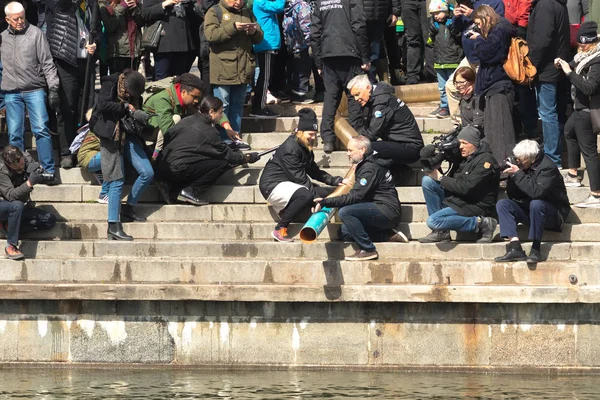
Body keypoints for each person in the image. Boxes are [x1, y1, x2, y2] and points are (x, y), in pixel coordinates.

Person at [259, 108, 345, 242]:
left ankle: (287, 209)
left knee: (321, 192)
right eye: (310, 134)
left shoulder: (304, 146)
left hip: (289, 183)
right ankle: (280, 229)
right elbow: (299, 178)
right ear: (300, 132)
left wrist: (334, 181)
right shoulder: (291, 149)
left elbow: (314, 171)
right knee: (307, 195)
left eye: (315, 134)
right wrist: (317, 199)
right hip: (272, 185)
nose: (313, 137)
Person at [158, 96, 261, 205]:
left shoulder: (187, 120)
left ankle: (171, 187)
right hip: (177, 169)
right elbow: (229, 156)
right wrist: (246, 158)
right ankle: (191, 190)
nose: (221, 116)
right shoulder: (209, 132)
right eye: (220, 113)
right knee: (222, 163)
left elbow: (168, 136)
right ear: (211, 112)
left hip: (163, 166)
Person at [313, 136, 403, 261]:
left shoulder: (370, 168)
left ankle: (368, 250)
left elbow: (355, 196)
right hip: (378, 209)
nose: (347, 153)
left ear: (362, 150)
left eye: (350, 150)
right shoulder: (369, 163)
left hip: (387, 211)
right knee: (344, 232)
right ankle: (387, 235)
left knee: (346, 212)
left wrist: (326, 202)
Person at [89, 70, 155, 241]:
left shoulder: (135, 93)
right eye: (129, 94)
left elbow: (136, 110)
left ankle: (128, 209)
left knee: (147, 172)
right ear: (125, 86)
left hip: (128, 135)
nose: (129, 96)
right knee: (116, 180)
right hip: (110, 134)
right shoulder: (109, 84)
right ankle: (113, 225)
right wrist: (125, 107)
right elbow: (102, 105)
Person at [1, 2, 59, 181]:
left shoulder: (36, 34)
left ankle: (48, 169)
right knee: (15, 134)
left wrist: (53, 87)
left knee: (41, 129)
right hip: (11, 91)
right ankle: (19, 172)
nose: (20, 21)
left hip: (34, 88)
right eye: (16, 18)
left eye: (22, 17)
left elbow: (47, 62)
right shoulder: (2, 38)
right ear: (7, 20)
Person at [419, 125, 500, 243]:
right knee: (427, 181)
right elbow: (452, 181)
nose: (461, 147)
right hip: (459, 200)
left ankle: (482, 223)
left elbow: (466, 187)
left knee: (433, 221)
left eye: (465, 143)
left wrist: (441, 178)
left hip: (474, 205)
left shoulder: (486, 160)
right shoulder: (465, 157)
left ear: (475, 143)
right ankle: (440, 232)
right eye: (459, 143)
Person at [494, 140, 570, 263]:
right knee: (503, 204)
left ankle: (536, 249)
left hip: (554, 213)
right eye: (516, 158)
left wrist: (518, 174)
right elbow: (514, 196)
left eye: (521, 159)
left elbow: (537, 192)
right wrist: (513, 177)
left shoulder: (548, 168)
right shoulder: (523, 167)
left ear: (532, 158)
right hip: (530, 210)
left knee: (536, 203)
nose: (517, 161)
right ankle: (515, 248)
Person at [46, 0, 101, 169]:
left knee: (86, 107)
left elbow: (97, 30)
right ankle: (66, 152)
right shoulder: (60, 4)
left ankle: (82, 149)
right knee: (67, 107)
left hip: (87, 61)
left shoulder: (91, 4)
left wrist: (95, 44)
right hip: (65, 59)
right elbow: (60, 6)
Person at [310, 0, 370, 153]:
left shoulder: (320, 2)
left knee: (330, 98)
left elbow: (314, 32)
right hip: (350, 52)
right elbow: (359, 25)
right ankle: (357, 136)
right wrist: (365, 56)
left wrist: (318, 61)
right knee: (354, 96)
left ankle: (328, 139)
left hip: (328, 54)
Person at [556, 21, 600, 207]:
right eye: (580, 45)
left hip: (588, 110)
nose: (581, 48)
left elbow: (590, 88)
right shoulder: (585, 55)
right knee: (568, 131)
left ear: (594, 42)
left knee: (589, 152)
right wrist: (562, 63)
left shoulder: (597, 60)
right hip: (579, 108)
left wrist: (569, 73)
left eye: (584, 45)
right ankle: (573, 174)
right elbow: (576, 61)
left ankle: (596, 194)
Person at [205, 0, 264, 134]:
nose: (238, 2)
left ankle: (235, 136)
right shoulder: (215, 11)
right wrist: (233, 27)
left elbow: (259, 38)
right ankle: (223, 139)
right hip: (222, 68)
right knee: (222, 107)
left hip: (243, 69)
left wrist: (254, 31)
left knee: (238, 106)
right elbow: (211, 35)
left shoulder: (247, 12)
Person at [525, 0, 570, 167]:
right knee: (554, 113)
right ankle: (554, 151)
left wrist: (532, 65)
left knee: (547, 114)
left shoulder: (544, 5)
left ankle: (552, 158)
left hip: (546, 68)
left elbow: (542, 39)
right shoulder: (558, 4)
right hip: (557, 65)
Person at [470, 5, 517, 164]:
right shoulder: (497, 30)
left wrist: (478, 40)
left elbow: (487, 54)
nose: (479, 27)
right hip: (492, 87)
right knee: (493, 132)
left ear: (486, 17)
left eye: (479, 23)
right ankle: (499, 168)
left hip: (499, 86)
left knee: (501, 132)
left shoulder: (499, 30)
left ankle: (505, 170)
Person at [347, 75, 424, 168]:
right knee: (365, 148)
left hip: (410, 148)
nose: (356, 99)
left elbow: (373, 133)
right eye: (354, 96)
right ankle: (398, 172)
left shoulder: (381, 101)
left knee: (365, 148)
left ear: (368, 88)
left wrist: (356, 145)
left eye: (357, 94)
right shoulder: (372, 99)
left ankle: (396, 173)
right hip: (398, 143)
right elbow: (365, 128)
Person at [0, 146, 57, 260]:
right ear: (8, 164)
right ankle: (10, 246)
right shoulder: (2, 170)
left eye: (21, 163)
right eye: (15, 166)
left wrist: (38, 171)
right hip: (4, 204)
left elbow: (39, 174)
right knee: (17, 205)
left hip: (18, 208)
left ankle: (7, 226)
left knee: (48, 220)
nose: (20, 166)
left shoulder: (26, 157)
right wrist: (29, 183)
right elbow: (11, 196)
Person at [141, 0, 203, 79]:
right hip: (164, 44)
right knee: (162, 81)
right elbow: (145, 14)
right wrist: (164, 4)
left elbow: (196, 14)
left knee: (181, 80)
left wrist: (190, 3)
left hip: (185, 43)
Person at [428, 0, 464, 118]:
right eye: (434, 14)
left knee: (454, 85)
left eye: (439, 12)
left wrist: (455, 30)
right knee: (442, 87)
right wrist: (431, 32)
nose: (436, 16)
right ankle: (444, 107)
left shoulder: (453, 22)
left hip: (453, 60)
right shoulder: (434, 25)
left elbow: (460, 39)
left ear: (446, 11)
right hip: (440, 61)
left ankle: (457, 106)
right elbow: (431, 42)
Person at [250, 0, 285, 118]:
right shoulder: (260, 2)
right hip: (266, 43)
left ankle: (258, 104)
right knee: (265, 77)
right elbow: (279, 6)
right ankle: (259, 107)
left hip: (268, 42)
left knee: (265, 76)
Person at [282, 0, 315, 103]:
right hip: (302, 44)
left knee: (295, 70)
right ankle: (300, 95)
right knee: (303, 70)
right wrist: (311, 43)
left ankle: (294, 94)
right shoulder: (302, 5)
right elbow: (306, 26)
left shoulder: (288, 7)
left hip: (293, 45)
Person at [99, 0, 145, 73]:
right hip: (118, 53)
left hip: (134, 51)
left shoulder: (137, 3)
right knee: (118, 81)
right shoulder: (105, 5)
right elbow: (110, 27)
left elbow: (141, 23)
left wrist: (135, 9)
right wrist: (122, 7)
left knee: (132, 82)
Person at [76, 130, 110, 203]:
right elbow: (110, 146)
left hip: (91, 156)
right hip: (88, 158)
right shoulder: (101, 128)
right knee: (112, 156)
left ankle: (98, 171)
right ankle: (104, 194)